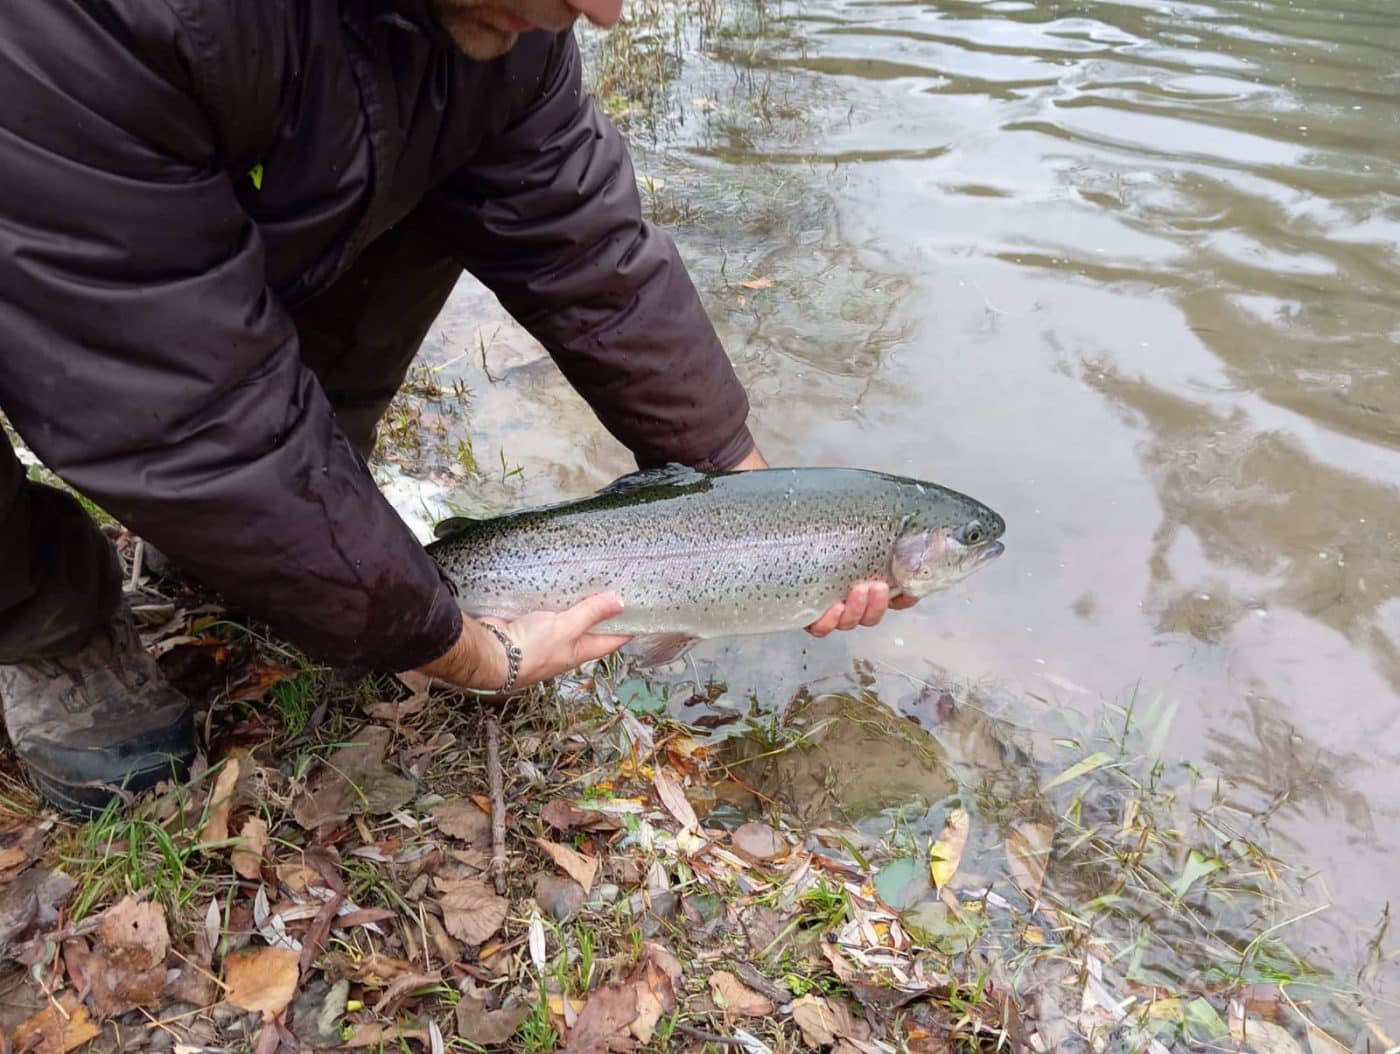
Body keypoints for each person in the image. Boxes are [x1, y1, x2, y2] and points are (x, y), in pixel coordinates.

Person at [0, 0, 911, 816]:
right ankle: (46, 624)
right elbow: (186, 405)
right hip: (43, 203)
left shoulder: (513, 34)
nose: (605, 13)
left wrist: (743, 492)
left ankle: (271, 540)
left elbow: (584, 249)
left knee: (446, 164)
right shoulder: (101, 24)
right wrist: (468, 651)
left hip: (174, 203)